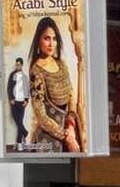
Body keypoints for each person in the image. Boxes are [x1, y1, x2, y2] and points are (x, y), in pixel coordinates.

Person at [26, 16, 83, 152]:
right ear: (38, 40)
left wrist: (70, 127)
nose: (51, 43)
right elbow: (41, 115)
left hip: (70, 133)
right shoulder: (36, 71)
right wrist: (66, 137)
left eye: (54, 38)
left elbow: (71, 99)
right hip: (49, 139)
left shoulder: (61, 64)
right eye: (47, 38)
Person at [7, 57, 28, 146]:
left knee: (20, 122)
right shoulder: (12, 75)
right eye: (16, 64)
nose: (17, 66)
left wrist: (26, 100)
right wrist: (11, 98)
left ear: (22, 65)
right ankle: (25, 132)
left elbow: (27, 89)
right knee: (17, 120)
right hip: (14, 101)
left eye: (19, 65)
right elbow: (9, 87)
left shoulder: (24, 76)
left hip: (22, 102)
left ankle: (19, 144)